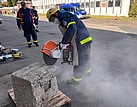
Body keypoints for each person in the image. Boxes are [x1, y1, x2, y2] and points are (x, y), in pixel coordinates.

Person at [46, 8, 93, 85]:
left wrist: (64, 41)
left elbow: (72, 28)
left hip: (81, 41)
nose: (53, 21)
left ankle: (76, 80)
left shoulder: (64, 16)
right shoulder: (63, 16)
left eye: (53, 19)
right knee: (85, 58)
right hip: (85, 39)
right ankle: (88, 73)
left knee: (78, 61)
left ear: (56, 14)